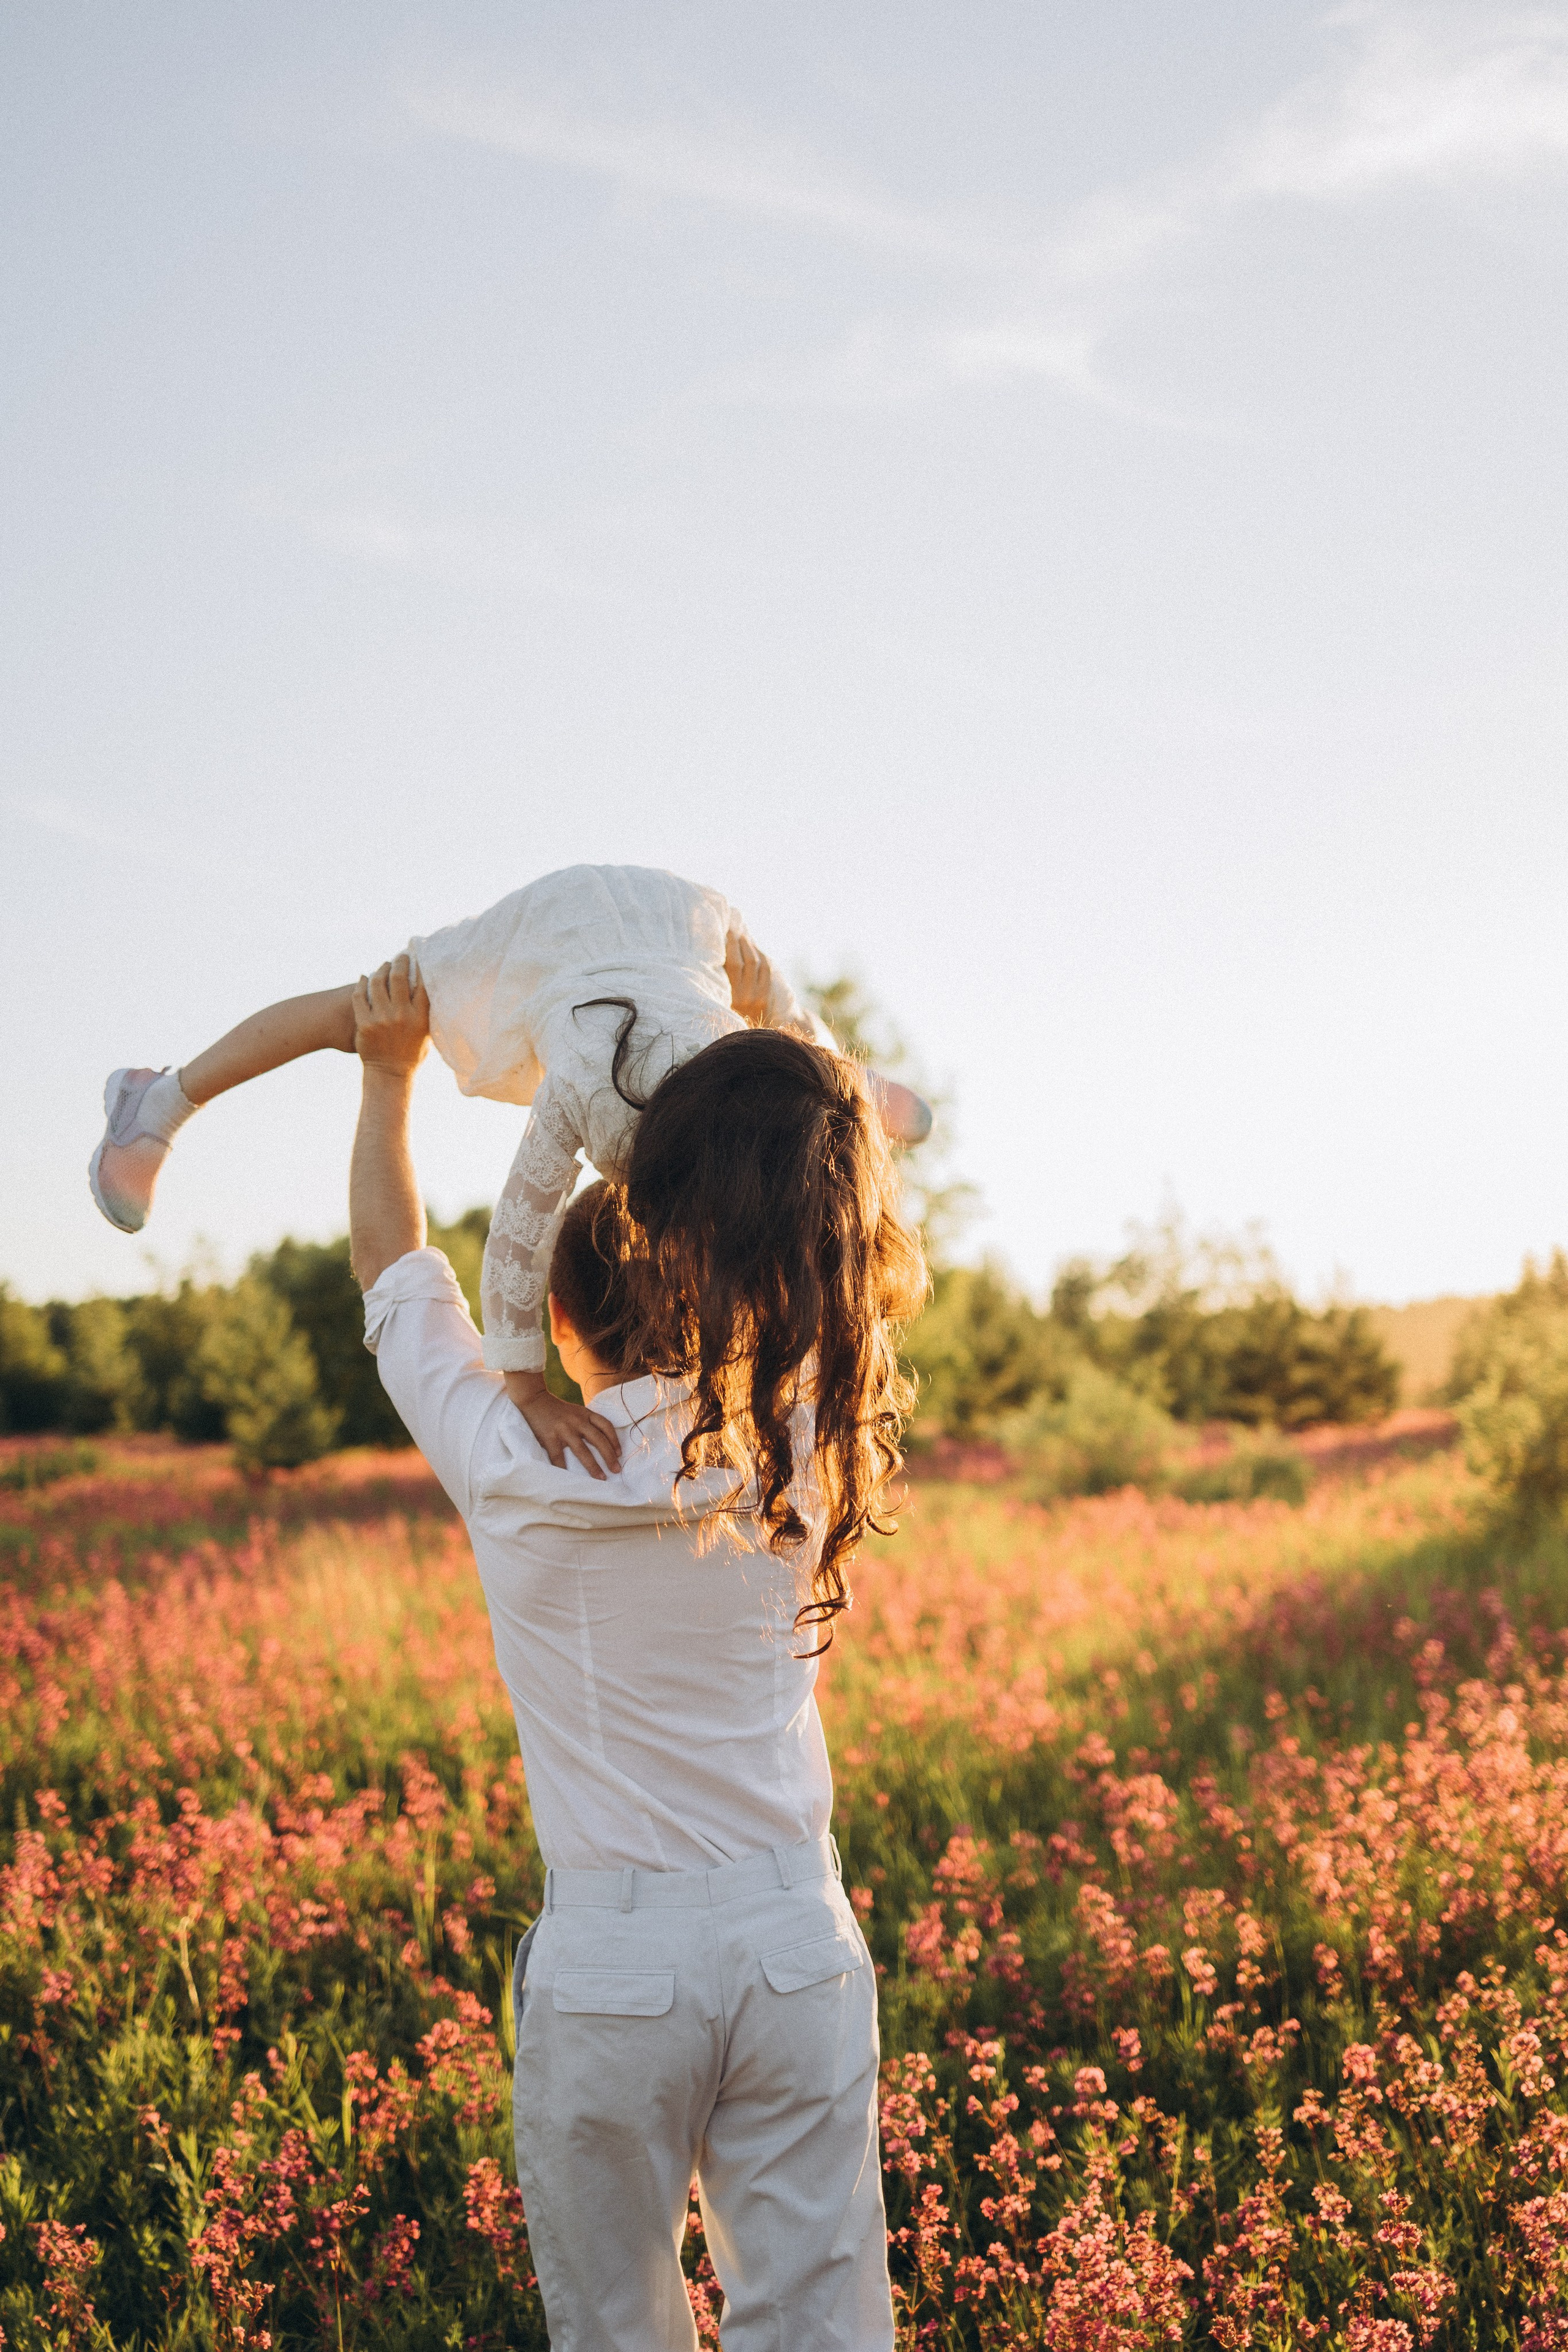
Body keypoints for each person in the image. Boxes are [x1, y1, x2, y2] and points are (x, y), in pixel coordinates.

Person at [347, 956, 922, 2351]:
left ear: (550, 1323)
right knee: (823, 2324)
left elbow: (391, 1271)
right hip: (794, 1940)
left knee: (614, 2330)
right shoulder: (800, 1423)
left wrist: (386, 1071)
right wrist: (758, 1005)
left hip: (615, 1970)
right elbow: (809, 1202)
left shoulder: (506, 1458)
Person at [88, 863, 931, 1471]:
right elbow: (517, 1238)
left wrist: (389, 1076)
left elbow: (793, 1119)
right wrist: (524, 1386)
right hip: (558, 940)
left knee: (785, 1038)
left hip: (676, 924)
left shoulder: (742, 1082)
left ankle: (853, 1082)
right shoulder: (582, 1094)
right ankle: (154, 1105)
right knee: (372, 1007)